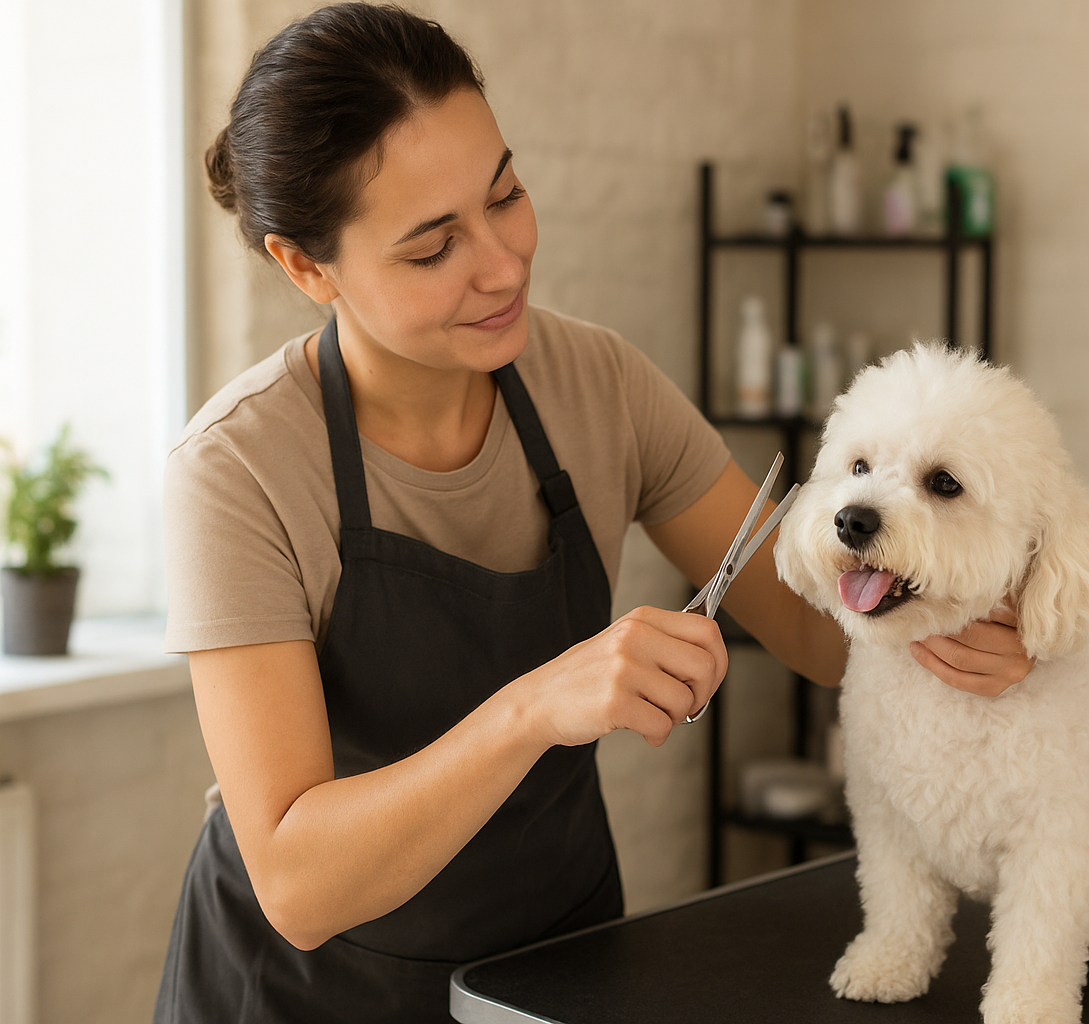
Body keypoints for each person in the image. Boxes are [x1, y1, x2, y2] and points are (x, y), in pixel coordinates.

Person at [153, 5, 1035, 1022]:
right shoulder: (238, 470)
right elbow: (299, 886)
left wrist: (972, 619)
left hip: (546, 967)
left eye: (506, 195)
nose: (503, 263)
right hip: (302, 990)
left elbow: (819, 630)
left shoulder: (598, 385)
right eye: (433, 247)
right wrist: (534, 708)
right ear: (306, 267)